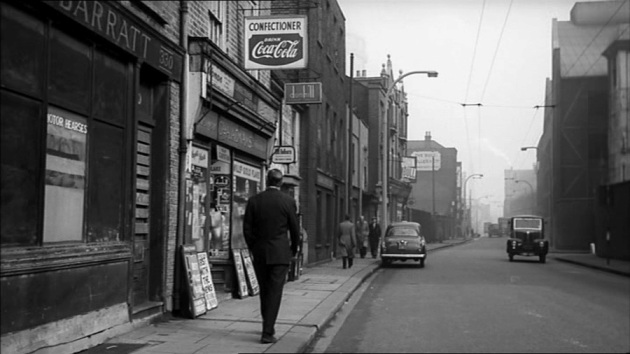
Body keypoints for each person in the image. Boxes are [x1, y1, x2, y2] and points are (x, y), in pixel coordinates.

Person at [243, 169, 300, 344]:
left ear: (266, 180)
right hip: (280, 253)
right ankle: (267, 332)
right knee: (275, 292)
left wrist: (254, 246)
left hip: (260, 252)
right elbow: (294, 229)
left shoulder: (254, 201)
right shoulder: (288, 201)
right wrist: (293, 249)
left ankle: (267, 325)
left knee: (264, 290)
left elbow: (247, 229)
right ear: (280, 182)